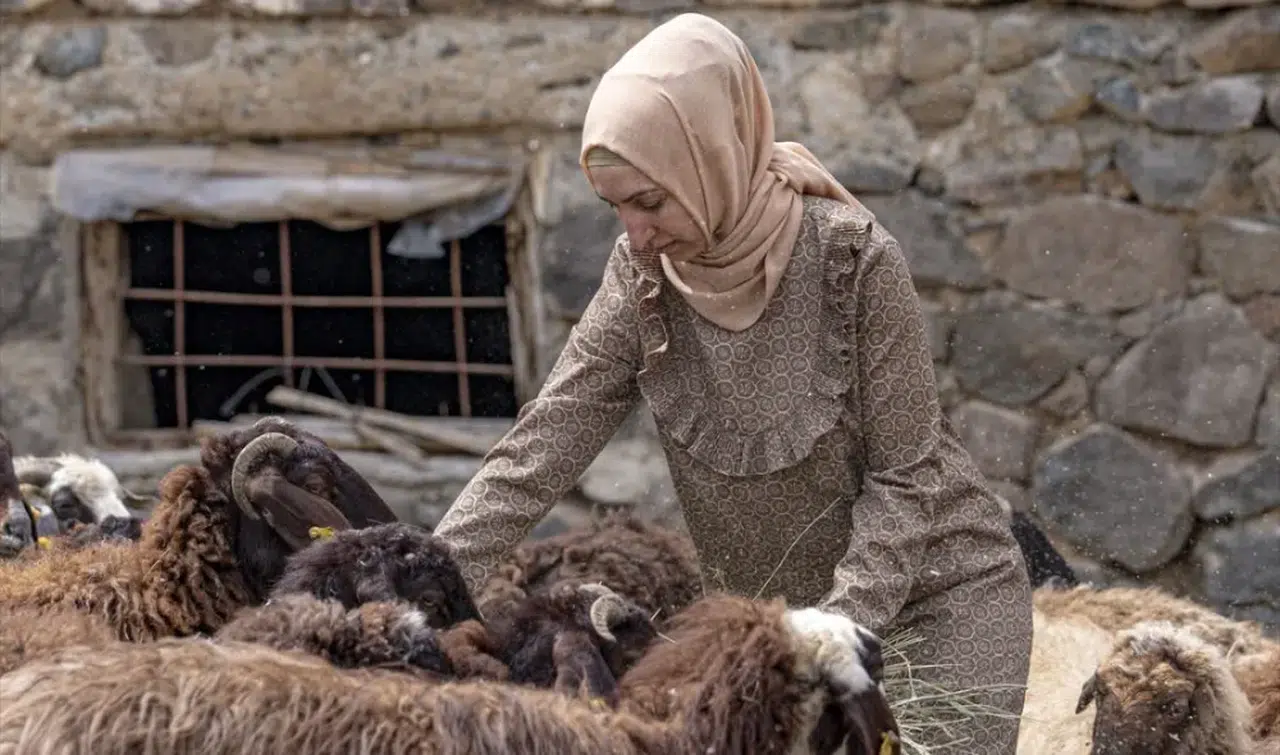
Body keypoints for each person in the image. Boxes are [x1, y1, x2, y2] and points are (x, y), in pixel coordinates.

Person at [432, 12, 1033, 752]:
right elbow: (543, 444)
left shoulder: (855, 261)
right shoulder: (642, 278)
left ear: (712, 157)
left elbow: (905, 477)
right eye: (615, 207)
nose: (635, 231)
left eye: (650, 201)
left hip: (938, 605)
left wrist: (833, 632)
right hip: (783, 627)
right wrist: (418, 581)